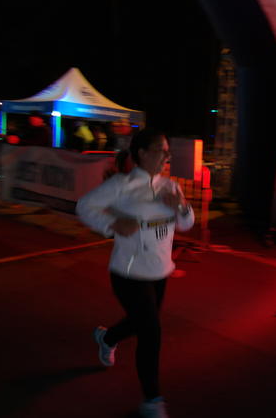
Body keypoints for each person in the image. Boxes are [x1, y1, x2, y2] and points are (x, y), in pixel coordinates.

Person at [76, 128, 194, 418]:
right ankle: (152, 400)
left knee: (140, 323)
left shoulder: (170, 186)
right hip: (128, 273)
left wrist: (181, 206)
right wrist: (112, 225)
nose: (166, 156)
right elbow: (84, 206)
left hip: (160, 271)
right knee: (151, 332)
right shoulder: (122, 184)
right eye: (160, 151)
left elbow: (186, 224)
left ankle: (107, 338)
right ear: (142, 153)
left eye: (167, 152)